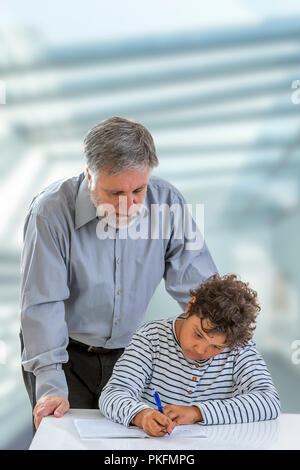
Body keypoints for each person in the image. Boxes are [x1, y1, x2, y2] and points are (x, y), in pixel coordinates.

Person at [20, 116, 218, 432]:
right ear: (89, 176)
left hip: (131, 355)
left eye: (138, 190)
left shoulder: (169, 204)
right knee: (67, 439)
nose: (128, 205)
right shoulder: (50, 211)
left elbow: (201, 289)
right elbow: (43, 305)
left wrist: (220, 344)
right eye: (114, 193)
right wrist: (50, 386)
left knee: (135, 440)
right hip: (62, 353)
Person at [99, 273, 281, 437]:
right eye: (198, 334)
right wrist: (142, 415)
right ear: (190, 306)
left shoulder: (238, 348)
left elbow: (269, 401)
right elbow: (113, 394)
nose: (201, 350)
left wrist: (197, 412)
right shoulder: (150, 338)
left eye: (216, 347)